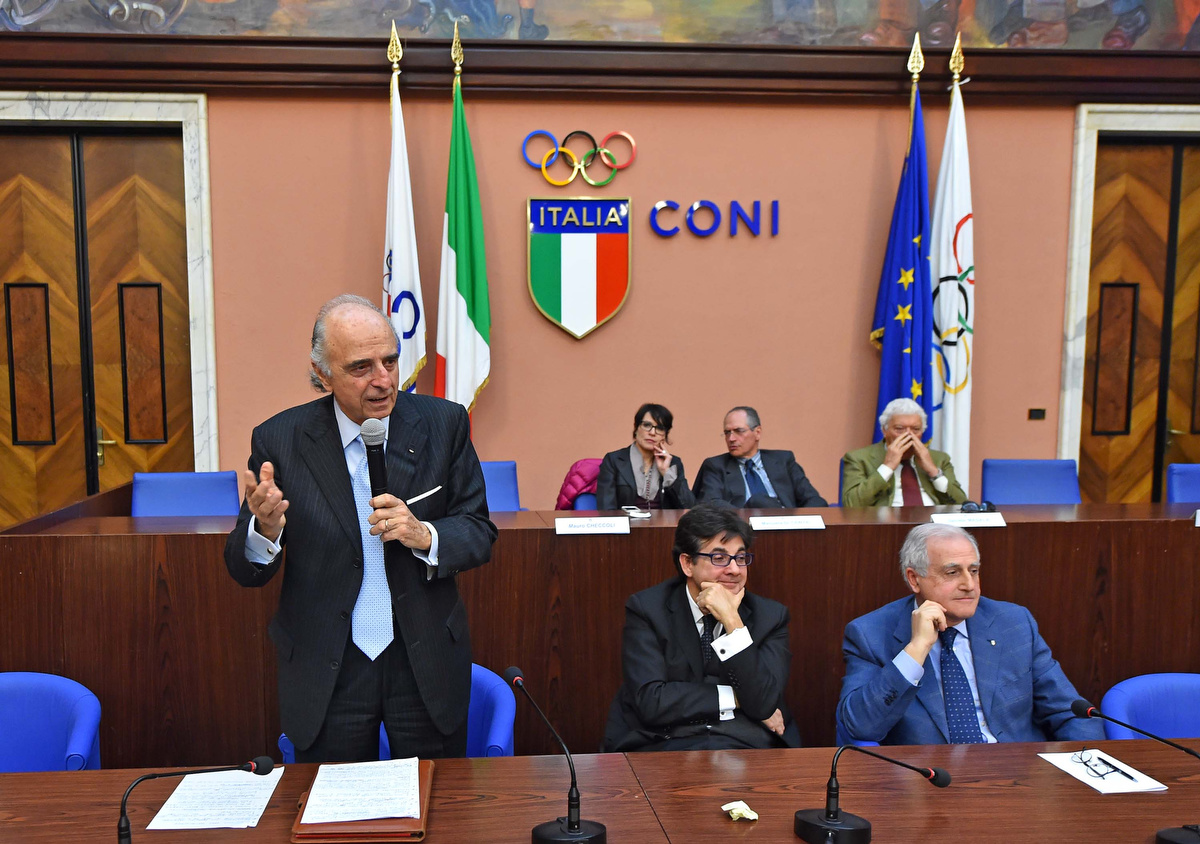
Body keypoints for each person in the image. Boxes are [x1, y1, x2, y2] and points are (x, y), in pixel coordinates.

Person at [224, 294, 497, 763]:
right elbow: (244, 570)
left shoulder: (445, 424)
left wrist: (425, 535)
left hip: (424, 659)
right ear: (321, 372)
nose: (383, 380)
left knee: (436, 810)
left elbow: (478, 531)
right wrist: (264, 530)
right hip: (328, 664)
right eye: (361, 367)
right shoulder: (280, 439)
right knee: (335, 820)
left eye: (390, 360)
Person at [837, 523, 1104, 746]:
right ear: (914, 579)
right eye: (952, 573)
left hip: (1018, 778)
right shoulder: (870, 634)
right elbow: (860, 726)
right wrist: (916, 649)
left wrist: (1088, 769)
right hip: (931, 784)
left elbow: (1071, 713)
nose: (969, 585)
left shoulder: (1013, 623)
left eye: (974, 571)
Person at [602, 503, 801, 751]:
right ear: (687, 563)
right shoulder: (647, 609)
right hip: (664, 742)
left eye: (740, 557)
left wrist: (732, 622)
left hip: (743, 743)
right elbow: (652, 701)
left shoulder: (771, 616)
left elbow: (763, 704)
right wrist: (736, 698)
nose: (734, 570)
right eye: (719, 558)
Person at [841, 398, 967, 507]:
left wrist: (933, 471)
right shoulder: (859, 458)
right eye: (900, 429)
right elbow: (851, 504)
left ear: (922, 433)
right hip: (885, 527)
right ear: (884, 431)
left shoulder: (940, 458)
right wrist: (887, 467)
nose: (909, 435)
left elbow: (961, 503)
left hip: (932, 528)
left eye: (916, 429)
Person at [693, 406, 826, 508]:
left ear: (757, 433)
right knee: (759, 501)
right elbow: (711, 504)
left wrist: (799, 522)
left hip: (786, 528)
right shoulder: (716, 465)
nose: (731, 438)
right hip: (741, 531)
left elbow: (814, 500)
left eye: (739, 431)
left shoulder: (783, 460)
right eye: (727, 433)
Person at [596, 403, 696, 510]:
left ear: (665, 435)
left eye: (660, 428)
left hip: (665, 526)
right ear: (636, 428)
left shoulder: (673, 463)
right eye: (647, 425)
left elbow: (689, 507)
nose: (652, 433)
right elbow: (606, 508)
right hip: (626, 525)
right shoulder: (614, 460)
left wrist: (667, 473)